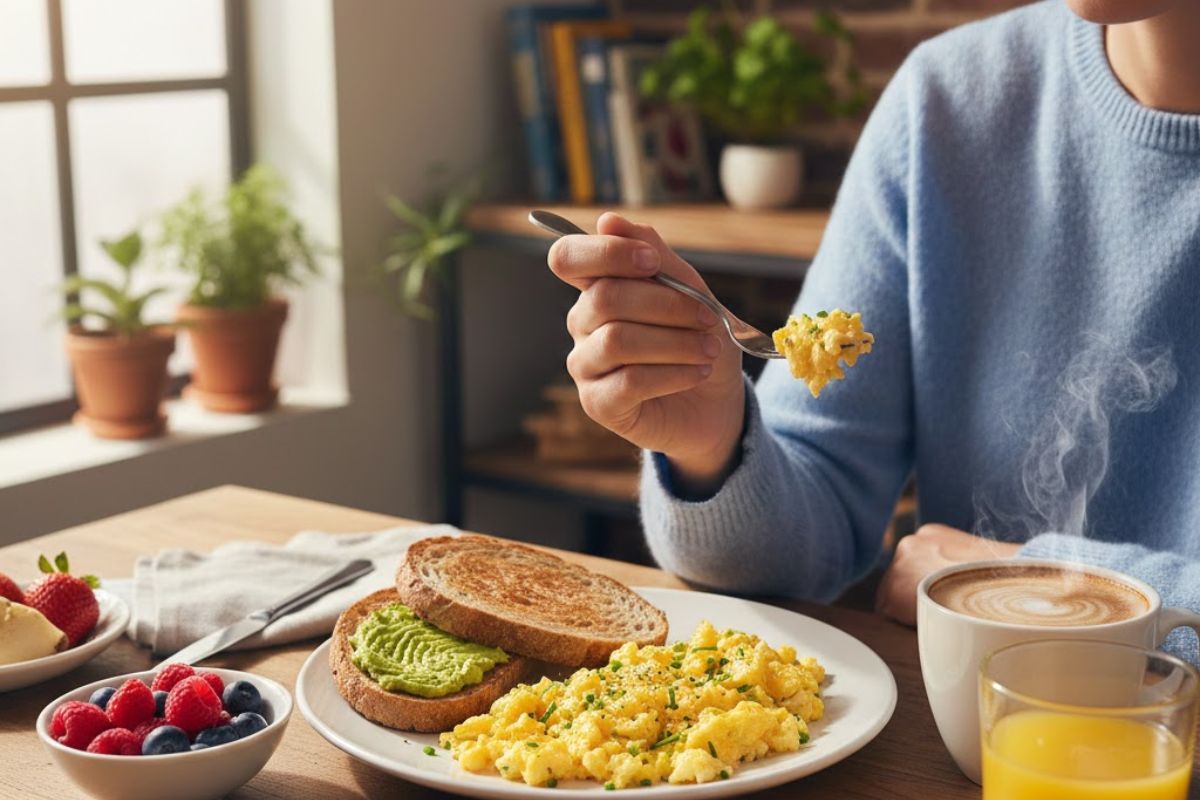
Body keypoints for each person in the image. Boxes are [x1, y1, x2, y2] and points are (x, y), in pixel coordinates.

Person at [544, 0, 1200, 662]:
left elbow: (1022, 588)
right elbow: (808, 529)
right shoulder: (950, 99)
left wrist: (1032, 585)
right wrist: (714, 449)